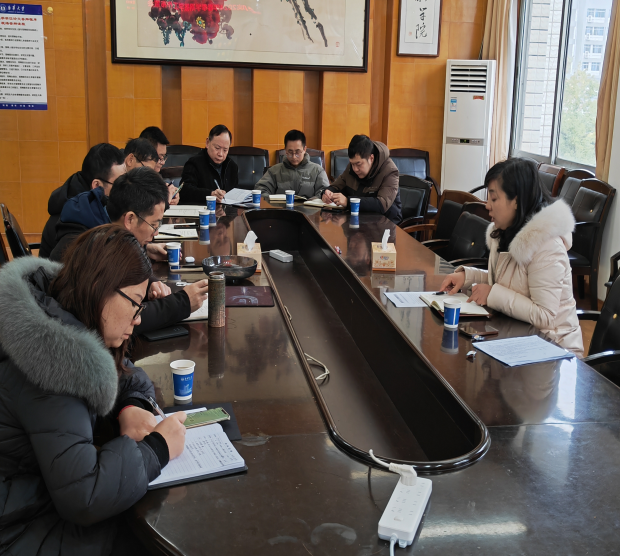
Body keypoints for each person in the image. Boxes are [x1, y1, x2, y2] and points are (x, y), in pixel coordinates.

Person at [0, 225, 187, 555]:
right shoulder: (51, 361)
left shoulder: (56, 311)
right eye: (136, 304)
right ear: (102, 289)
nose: (138, 319)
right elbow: (84, 497)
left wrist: (131, 405)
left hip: (36, 494)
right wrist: (157, 449)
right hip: (19, 526)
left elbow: (124, 372)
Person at [439, 158, 583, 354]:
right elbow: (509, 282)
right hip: (521, 338)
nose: (487, 205)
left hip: (554, 349)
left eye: (494, 199)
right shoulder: (505, 232)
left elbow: (544, 316)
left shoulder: (547, 245)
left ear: (516, 200)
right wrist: (468, 276)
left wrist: (492, 294)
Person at [48, 168, 208, 334]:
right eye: (154, 225)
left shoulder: (107, 223)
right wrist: (182, 303)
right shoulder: (89, 247)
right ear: (130, 219)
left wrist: (149, 280)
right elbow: (116, 320)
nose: (156, 233)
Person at [40, 143, 126, 258]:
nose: (125, 190)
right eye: (119, 184)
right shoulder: (75, 218)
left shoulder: (92, 203)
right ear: (97, 185)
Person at [322, 135, 402, 224]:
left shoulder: (390, 171)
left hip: (385, 225)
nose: (355, 169)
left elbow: (381, 205)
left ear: (371, 158)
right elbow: (337, 185)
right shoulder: (352, 168)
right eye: (352, 164)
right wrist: (327, 193)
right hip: (359, 222)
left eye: (358, 164)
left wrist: (348, 202)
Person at [255, 129, 329, 198]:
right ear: (285, 150)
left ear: (304, 149)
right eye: (290, 152)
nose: (294, 157)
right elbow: (260, 190)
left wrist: (319, 199)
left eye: (297, 152)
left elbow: (325, 192)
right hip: (281, 207)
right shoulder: (274, 171)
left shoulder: (317, 171)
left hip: (309, 207)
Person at [181, 124, 238, 204]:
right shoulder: (194, 163)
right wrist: (210, 194)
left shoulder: (232, 166)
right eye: (217, 148)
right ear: (208, 143)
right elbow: (184, 191)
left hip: (226, 211)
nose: (220, 154)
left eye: (225, 150)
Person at [139, 126, 180, 205]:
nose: (163, 162)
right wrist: (164, 200)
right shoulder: (129, 180)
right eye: (159, 157)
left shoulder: (155, 177)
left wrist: (173, 195)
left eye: (164, 157)